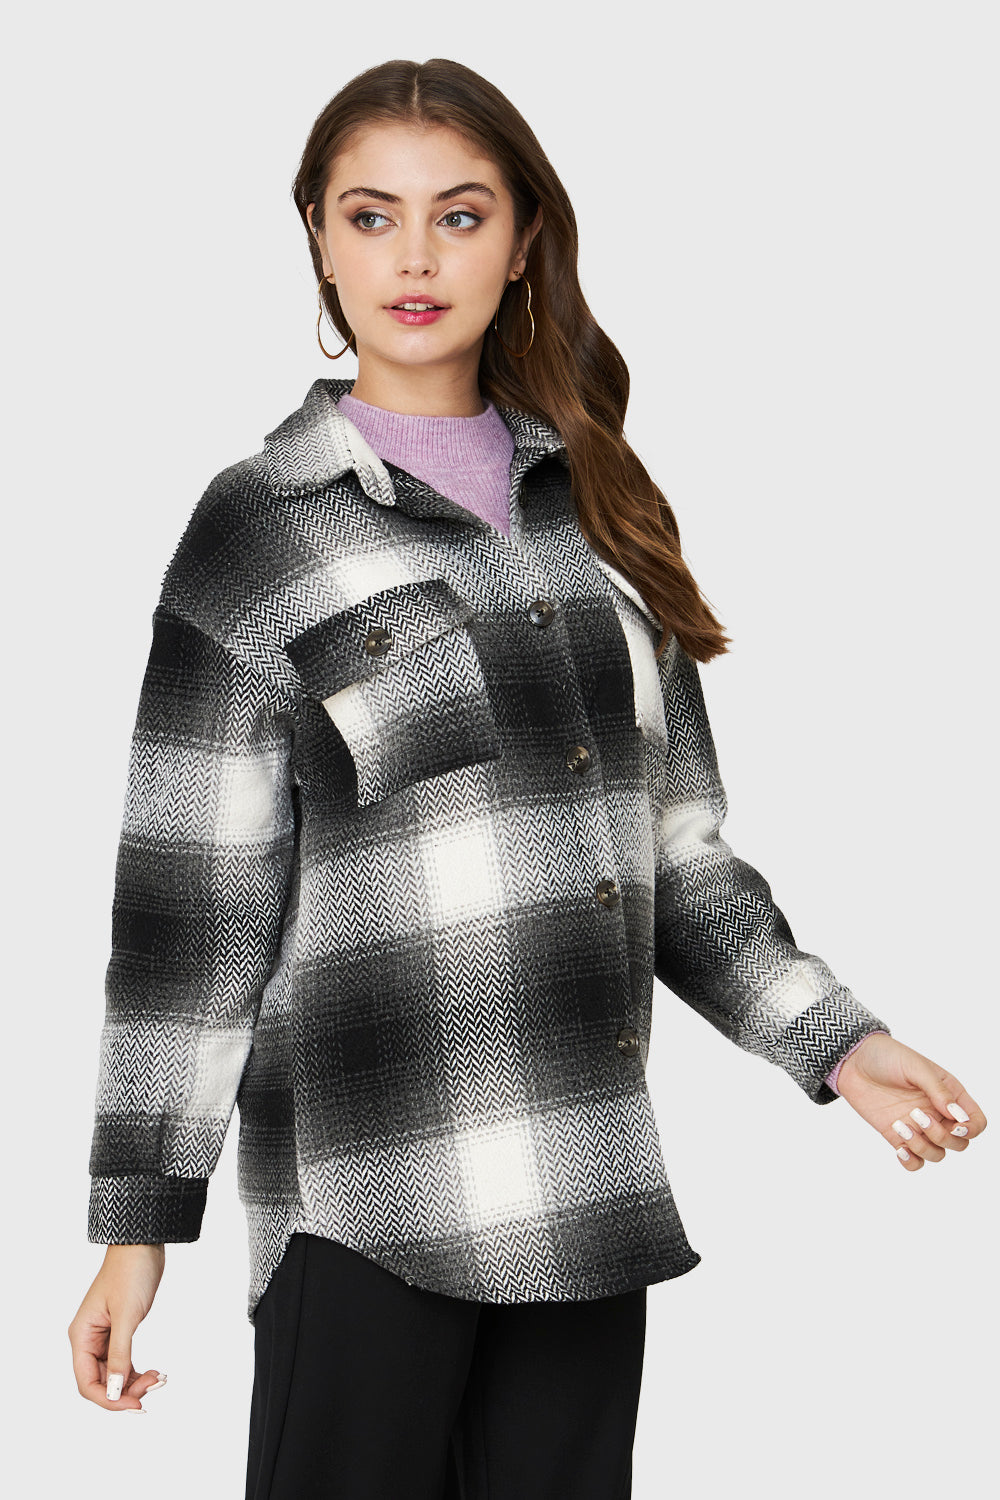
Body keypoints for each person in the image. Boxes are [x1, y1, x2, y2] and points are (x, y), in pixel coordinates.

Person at [68, 57, 987, 1500]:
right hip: (366, 1206)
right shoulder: (263, 528)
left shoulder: (602, 509)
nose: (415, 258)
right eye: (371, 216)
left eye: (459, 215)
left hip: (585, 1197)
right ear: (317, 237)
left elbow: (675, 853)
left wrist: (835, 1040)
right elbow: (192, 910)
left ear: (521, 241)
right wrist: (139, 1224)